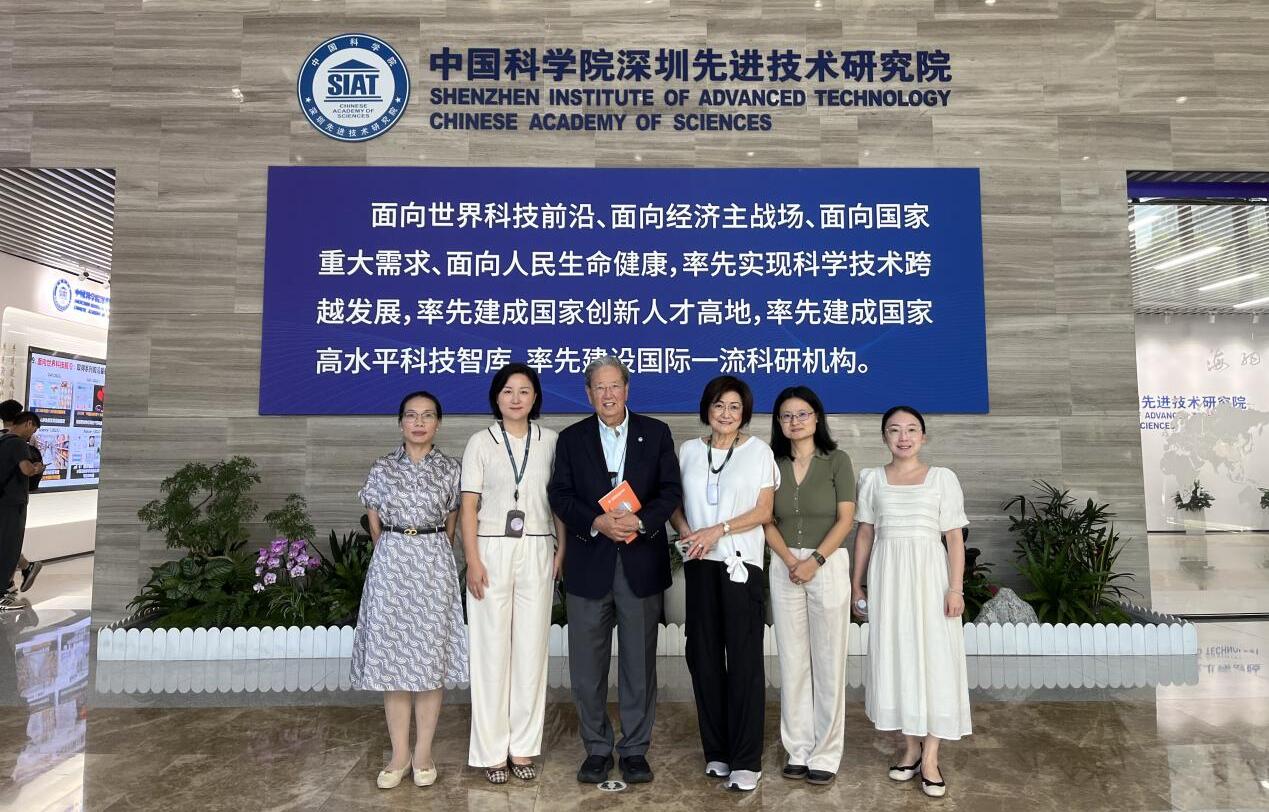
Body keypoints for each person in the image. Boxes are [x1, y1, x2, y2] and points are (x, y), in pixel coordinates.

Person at [547, 356, 682, 785]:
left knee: (639, 665)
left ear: (627, 389)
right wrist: (596, 521)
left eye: (614, 386)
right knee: (587, 668)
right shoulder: (572, 439)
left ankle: (635, 749)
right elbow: (560, 495)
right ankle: (597, 748)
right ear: (588, 394)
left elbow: (670, 491)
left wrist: (640, 521)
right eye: (599, 387)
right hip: (589, 563)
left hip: (639, 563)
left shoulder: (655, 433)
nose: (607, 394)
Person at [852, 405, 971, 799]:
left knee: (936, 661)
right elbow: (865, 534)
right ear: (884, 436)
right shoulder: (872, 479)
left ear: (923, 435)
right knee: (898, 659)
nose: (903, 437)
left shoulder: (942, 479)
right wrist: (857, 585)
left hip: (931, 582)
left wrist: (955, 589)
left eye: (911, 429)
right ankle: (910, 748)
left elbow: (954, 538)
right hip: (889, 582)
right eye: (894, 430)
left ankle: (931, 757)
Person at [351, 391, 468, 790]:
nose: (419, 422)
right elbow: (374, 522)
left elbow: (452, 524)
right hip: (392, 564)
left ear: (438, 423)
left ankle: (423, 754)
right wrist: (397, 548)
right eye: (412, 415)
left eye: (428, 415)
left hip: (434, 564)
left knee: (430, 660)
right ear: (400, 422)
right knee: (393, 661)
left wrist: (429, 550)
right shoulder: (382, 467)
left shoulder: (451, 469)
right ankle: (399, 754)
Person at [669, 375, 777, 792]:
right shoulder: (689, 451)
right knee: (703, 656)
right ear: (706, 409)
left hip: (740, 565)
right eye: (718, 405)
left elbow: (764, 511)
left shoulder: (758, 451)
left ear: (744, 412)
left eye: (734, 406)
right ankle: (716, 750)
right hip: (700, 564)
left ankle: (746, 759)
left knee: (744, 660)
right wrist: (687, 532)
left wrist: (719, 529)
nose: (726, 414)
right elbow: (674, 502)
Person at [460, 363, 565, 784]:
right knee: (489, 650)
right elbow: (469, 505)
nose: (516, 398)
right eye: (508, 391)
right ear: (496, 397)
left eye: (524, 390)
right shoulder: (480, 442)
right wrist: (472, 559)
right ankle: (491, 751)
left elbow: (559, 502)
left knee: (531, 650)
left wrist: (562, 549)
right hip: (491, 547)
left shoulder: (551, 441)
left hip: (538, 545)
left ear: (535, 397)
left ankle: (523, 747)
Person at [763, 386, 856, 785]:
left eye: (802, 414)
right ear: (778, 423)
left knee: (829, 661)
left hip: (827, 564)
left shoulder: (837, 460)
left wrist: (814, 561)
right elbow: (765, 519)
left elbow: (846, 519)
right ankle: (798, 748)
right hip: (785, 564)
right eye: (786, 416)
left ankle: (826, 752)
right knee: (793, 660)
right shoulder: (771, 463)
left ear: (817, 418)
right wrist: (790, 561)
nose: (794, 422)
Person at [0, 413, 45, 610]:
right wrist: (37, 467)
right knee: (9, 547)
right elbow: (26, 469)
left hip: (2, 500)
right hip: (13, 502)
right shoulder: (18, 443)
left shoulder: (3, 440)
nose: (31, 435)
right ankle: (2, 594)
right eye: (33, 430)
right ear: (28, 423)